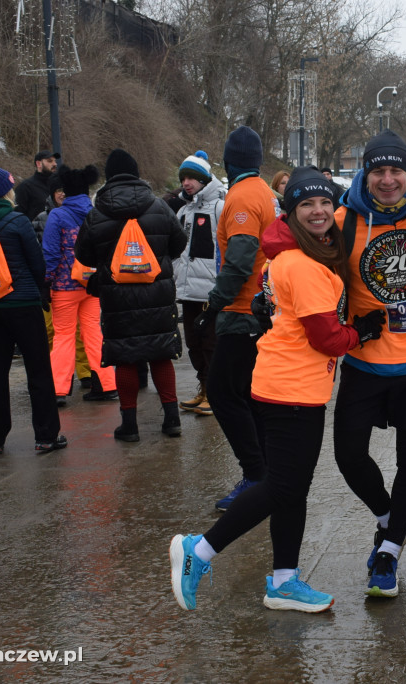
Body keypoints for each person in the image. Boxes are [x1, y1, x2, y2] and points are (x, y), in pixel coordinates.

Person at [169, 166, 385, 613]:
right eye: (306, 203)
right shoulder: (303, 265)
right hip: (292, 391)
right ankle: (200, 550)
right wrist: (361, 332)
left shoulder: (293, 256)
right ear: (289, 211)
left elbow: (266, 306)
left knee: (291, 488)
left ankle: (284, 580)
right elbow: (325, 338)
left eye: (326, 202)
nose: (319, 210)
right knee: (280, 488)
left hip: (287, 384)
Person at [332, 129, 406, 598]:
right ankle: (390, 516)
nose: (387, 179)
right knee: (347, 454)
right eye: (378, 170)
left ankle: (390, 551)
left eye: (396, 170)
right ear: (365, 171)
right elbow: (297, 244)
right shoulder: (343, 219)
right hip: (365, 358)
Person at [75, 149, 187, 441]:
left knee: (125, 357)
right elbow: (178, 244)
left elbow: (84, 255)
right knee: (161, 354)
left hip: (117, 298)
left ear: (109, 177)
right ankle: (172, 419)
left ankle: (130, 426)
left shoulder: (97, 213)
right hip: (157, 293)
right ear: (138, 174)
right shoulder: (160, 208)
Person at [196, 126, 277, 509]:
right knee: (247, 394)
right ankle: (264, 471)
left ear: (229, 161)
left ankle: (256, 473)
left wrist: (214, 303)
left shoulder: (243, 196)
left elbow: (241, 257)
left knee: (223, 393)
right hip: (256, 308)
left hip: (242, 311)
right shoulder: (262, 190)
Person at [0, 159, 65, 455]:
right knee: (38, 370)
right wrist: (39, 290)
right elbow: (38, 264)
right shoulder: (18, 221)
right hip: (22, 305)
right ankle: (46, 436)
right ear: (4, 192)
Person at [42, 165, 117, 405]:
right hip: (92, 285)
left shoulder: (58, 215)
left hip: (65, 286)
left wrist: (46, 280)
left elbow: (51, 253)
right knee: (94, 333)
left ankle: (58, 389)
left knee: (64, 335)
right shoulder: (96, 213)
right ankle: (107, 385)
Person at [173, 151, 225, 416]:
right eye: (184, 178)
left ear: (204, 179)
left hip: (210, 290)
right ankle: (203, 388)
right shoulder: (184, 210)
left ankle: (215, 394)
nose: (187, 182)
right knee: (193, 342)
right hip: (187, 290)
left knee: (210, 342)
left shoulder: (218, 207)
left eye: (192, 177)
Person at [14, 150, 60, 221]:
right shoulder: (25, 187)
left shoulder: (59, 185)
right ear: (39, 164)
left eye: (55, 161)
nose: (55, 164)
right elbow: (17, 216)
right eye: (50, 161)